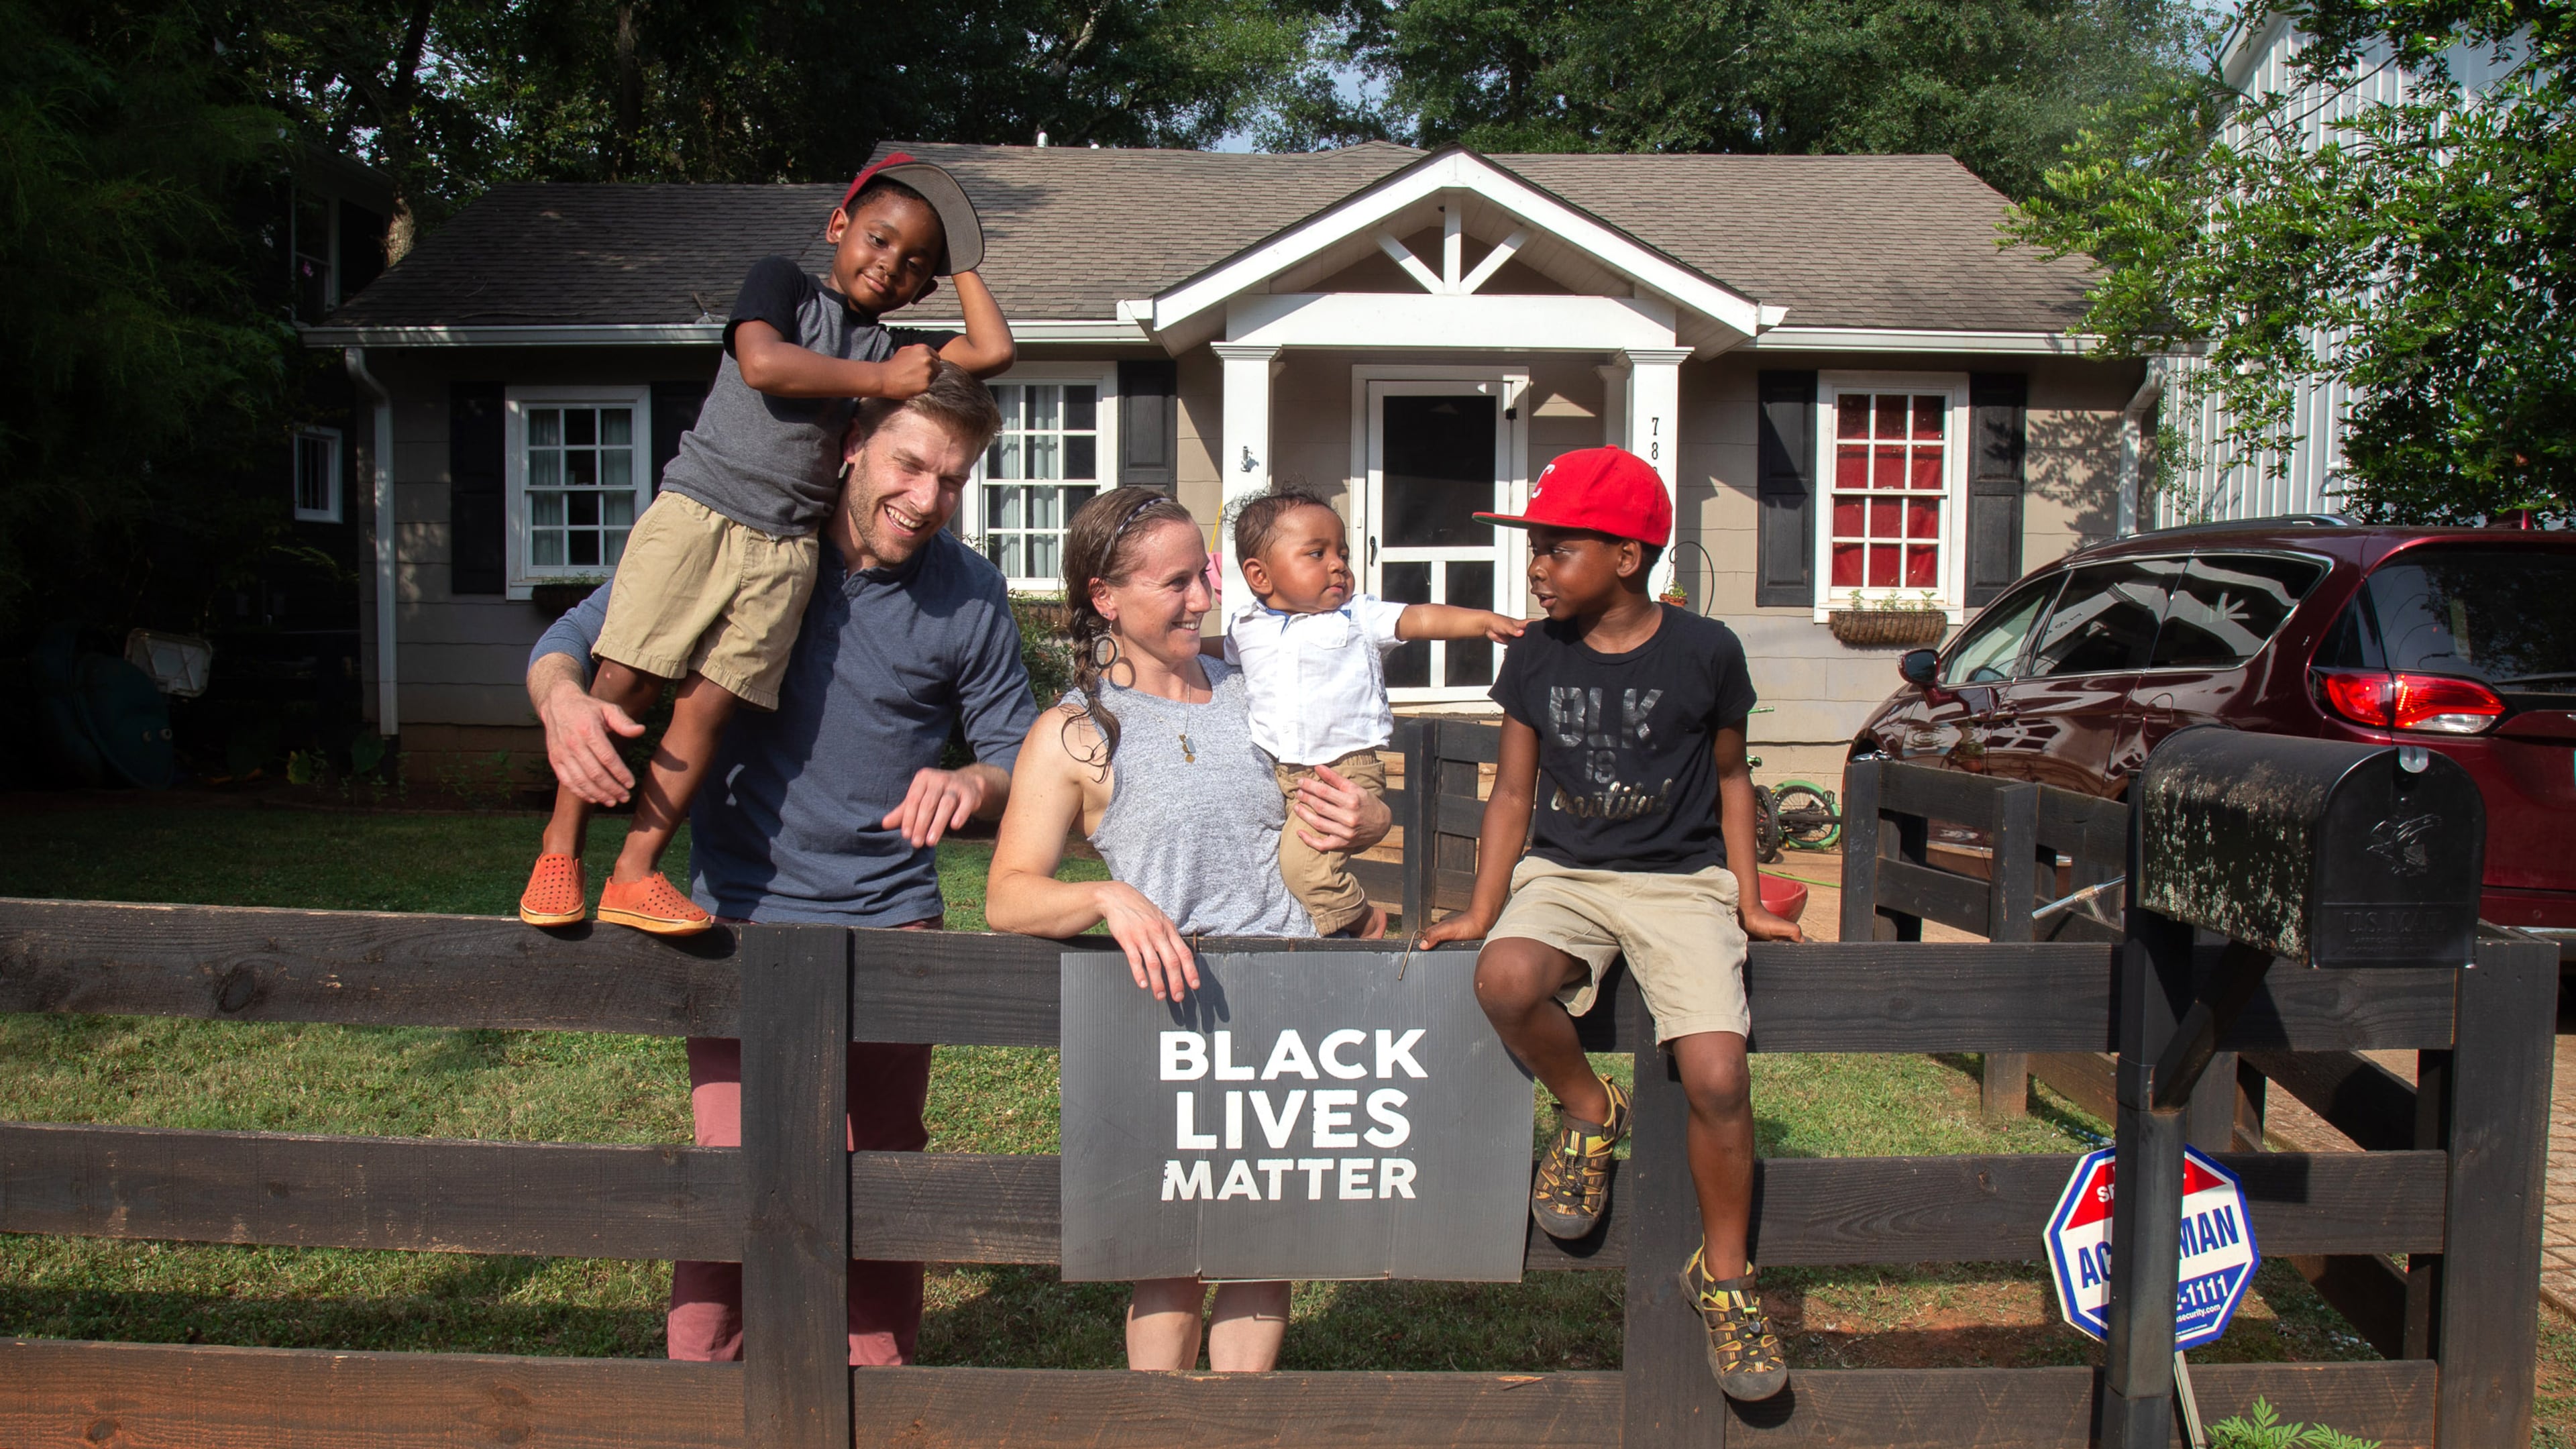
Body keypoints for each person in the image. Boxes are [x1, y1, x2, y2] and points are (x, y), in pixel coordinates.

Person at [525, 362, 1031, 1366]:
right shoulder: (743, 547)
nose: (927, 499)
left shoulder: (968, 591)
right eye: (909, 464)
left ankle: (874, 1389)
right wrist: (562, 703)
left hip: (892, 928)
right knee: (735, 1174)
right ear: (851, 445)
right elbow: (568, 641)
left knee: (880, 1178)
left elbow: (1017, 750)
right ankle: (704, 1389)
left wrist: (973, 787)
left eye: (954, 479)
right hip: (730, 926)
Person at [520, 153, 1014, 935]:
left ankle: (634, 871)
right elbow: (761, 363)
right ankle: (559, 852)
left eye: (915, 263)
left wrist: (960, 260)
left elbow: (992, 350)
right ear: (838, 227)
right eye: (880, 242)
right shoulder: (785, 286)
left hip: (782, 548)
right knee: (628, 677)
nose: (891, 267)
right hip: (703, 514)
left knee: (711, 704)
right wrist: (560, 698)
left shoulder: (883, 358)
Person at [1413, 446, 1807, 1401]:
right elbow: (1512, 793)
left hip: (1682, 883)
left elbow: (1729, 778)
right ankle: (1591, 1112)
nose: (1536, 568)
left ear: (1628, 556)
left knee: (1717, 1075)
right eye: (1534, 548)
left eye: (1556, 548)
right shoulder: (1536, 653)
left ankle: (1725, 1278)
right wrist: (1479, 906)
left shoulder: (1708, 650)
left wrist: (1749, 898)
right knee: (1504, 979)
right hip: (1566, 872)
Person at [985, 486, 1392, 1373]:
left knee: (1263, 1250)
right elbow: (1009, 894)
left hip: (1294, 1002)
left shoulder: (1267, 690)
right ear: (1106, 597)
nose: (1203, 600)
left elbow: (1354, 804)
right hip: (1173, 1016)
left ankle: (1239, 1428)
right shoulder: (1075, 732)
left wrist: (1367, 820)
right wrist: (1104, 899)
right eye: (1176, 585)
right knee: (1166, 1264)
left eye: (1203, 577)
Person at [1223, 487, 1523, 938]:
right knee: (1278, 868)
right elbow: (1216, 654)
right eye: (1316, 553)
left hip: (1342, 770)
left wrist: (1481, 622)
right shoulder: (1247, 627)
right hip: (1276, 770)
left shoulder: (1357, 616)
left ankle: (1363, 922)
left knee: (1304, 869)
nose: (1338, 564)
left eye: (1341, 552)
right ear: (1260, 576)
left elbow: (1420, 619)